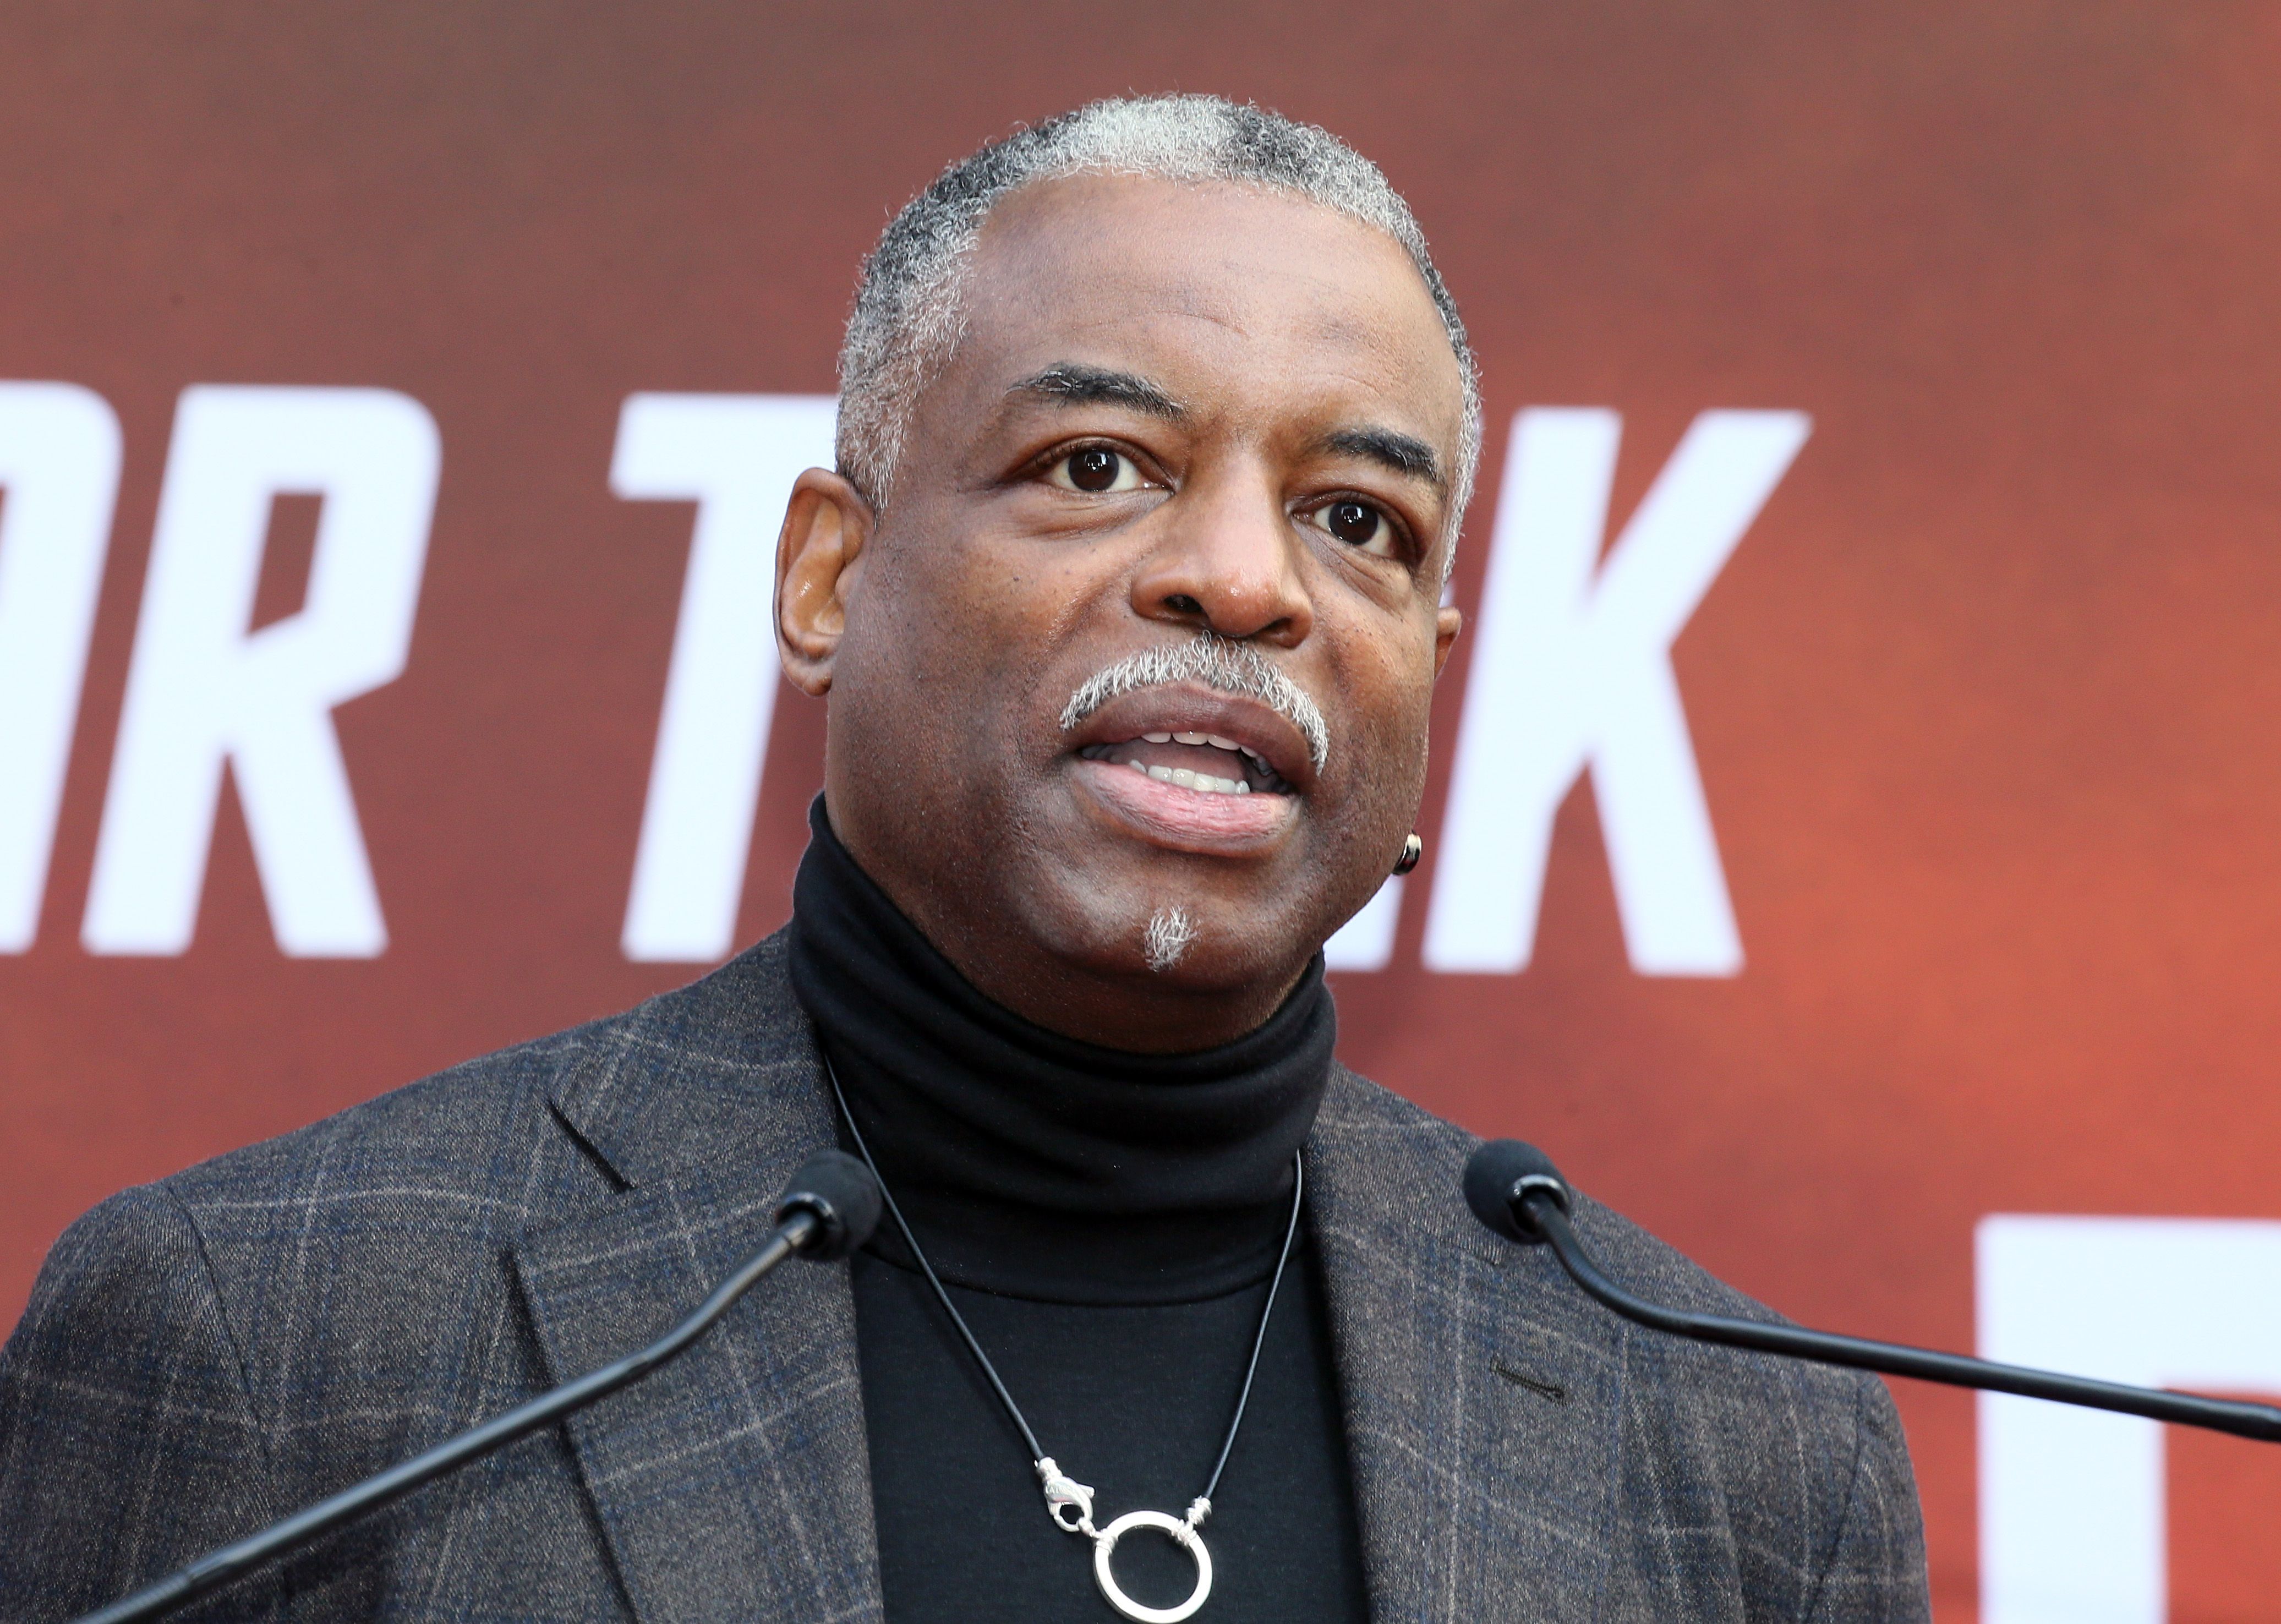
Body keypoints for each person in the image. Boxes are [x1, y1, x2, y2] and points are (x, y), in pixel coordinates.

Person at [0, 96, 1929, 1623]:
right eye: (1097, 464)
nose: (1245, 580)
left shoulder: (1743, 1457)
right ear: (828, 575)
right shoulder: (275, 1342)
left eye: (1358, 518)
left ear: (1433, 663)